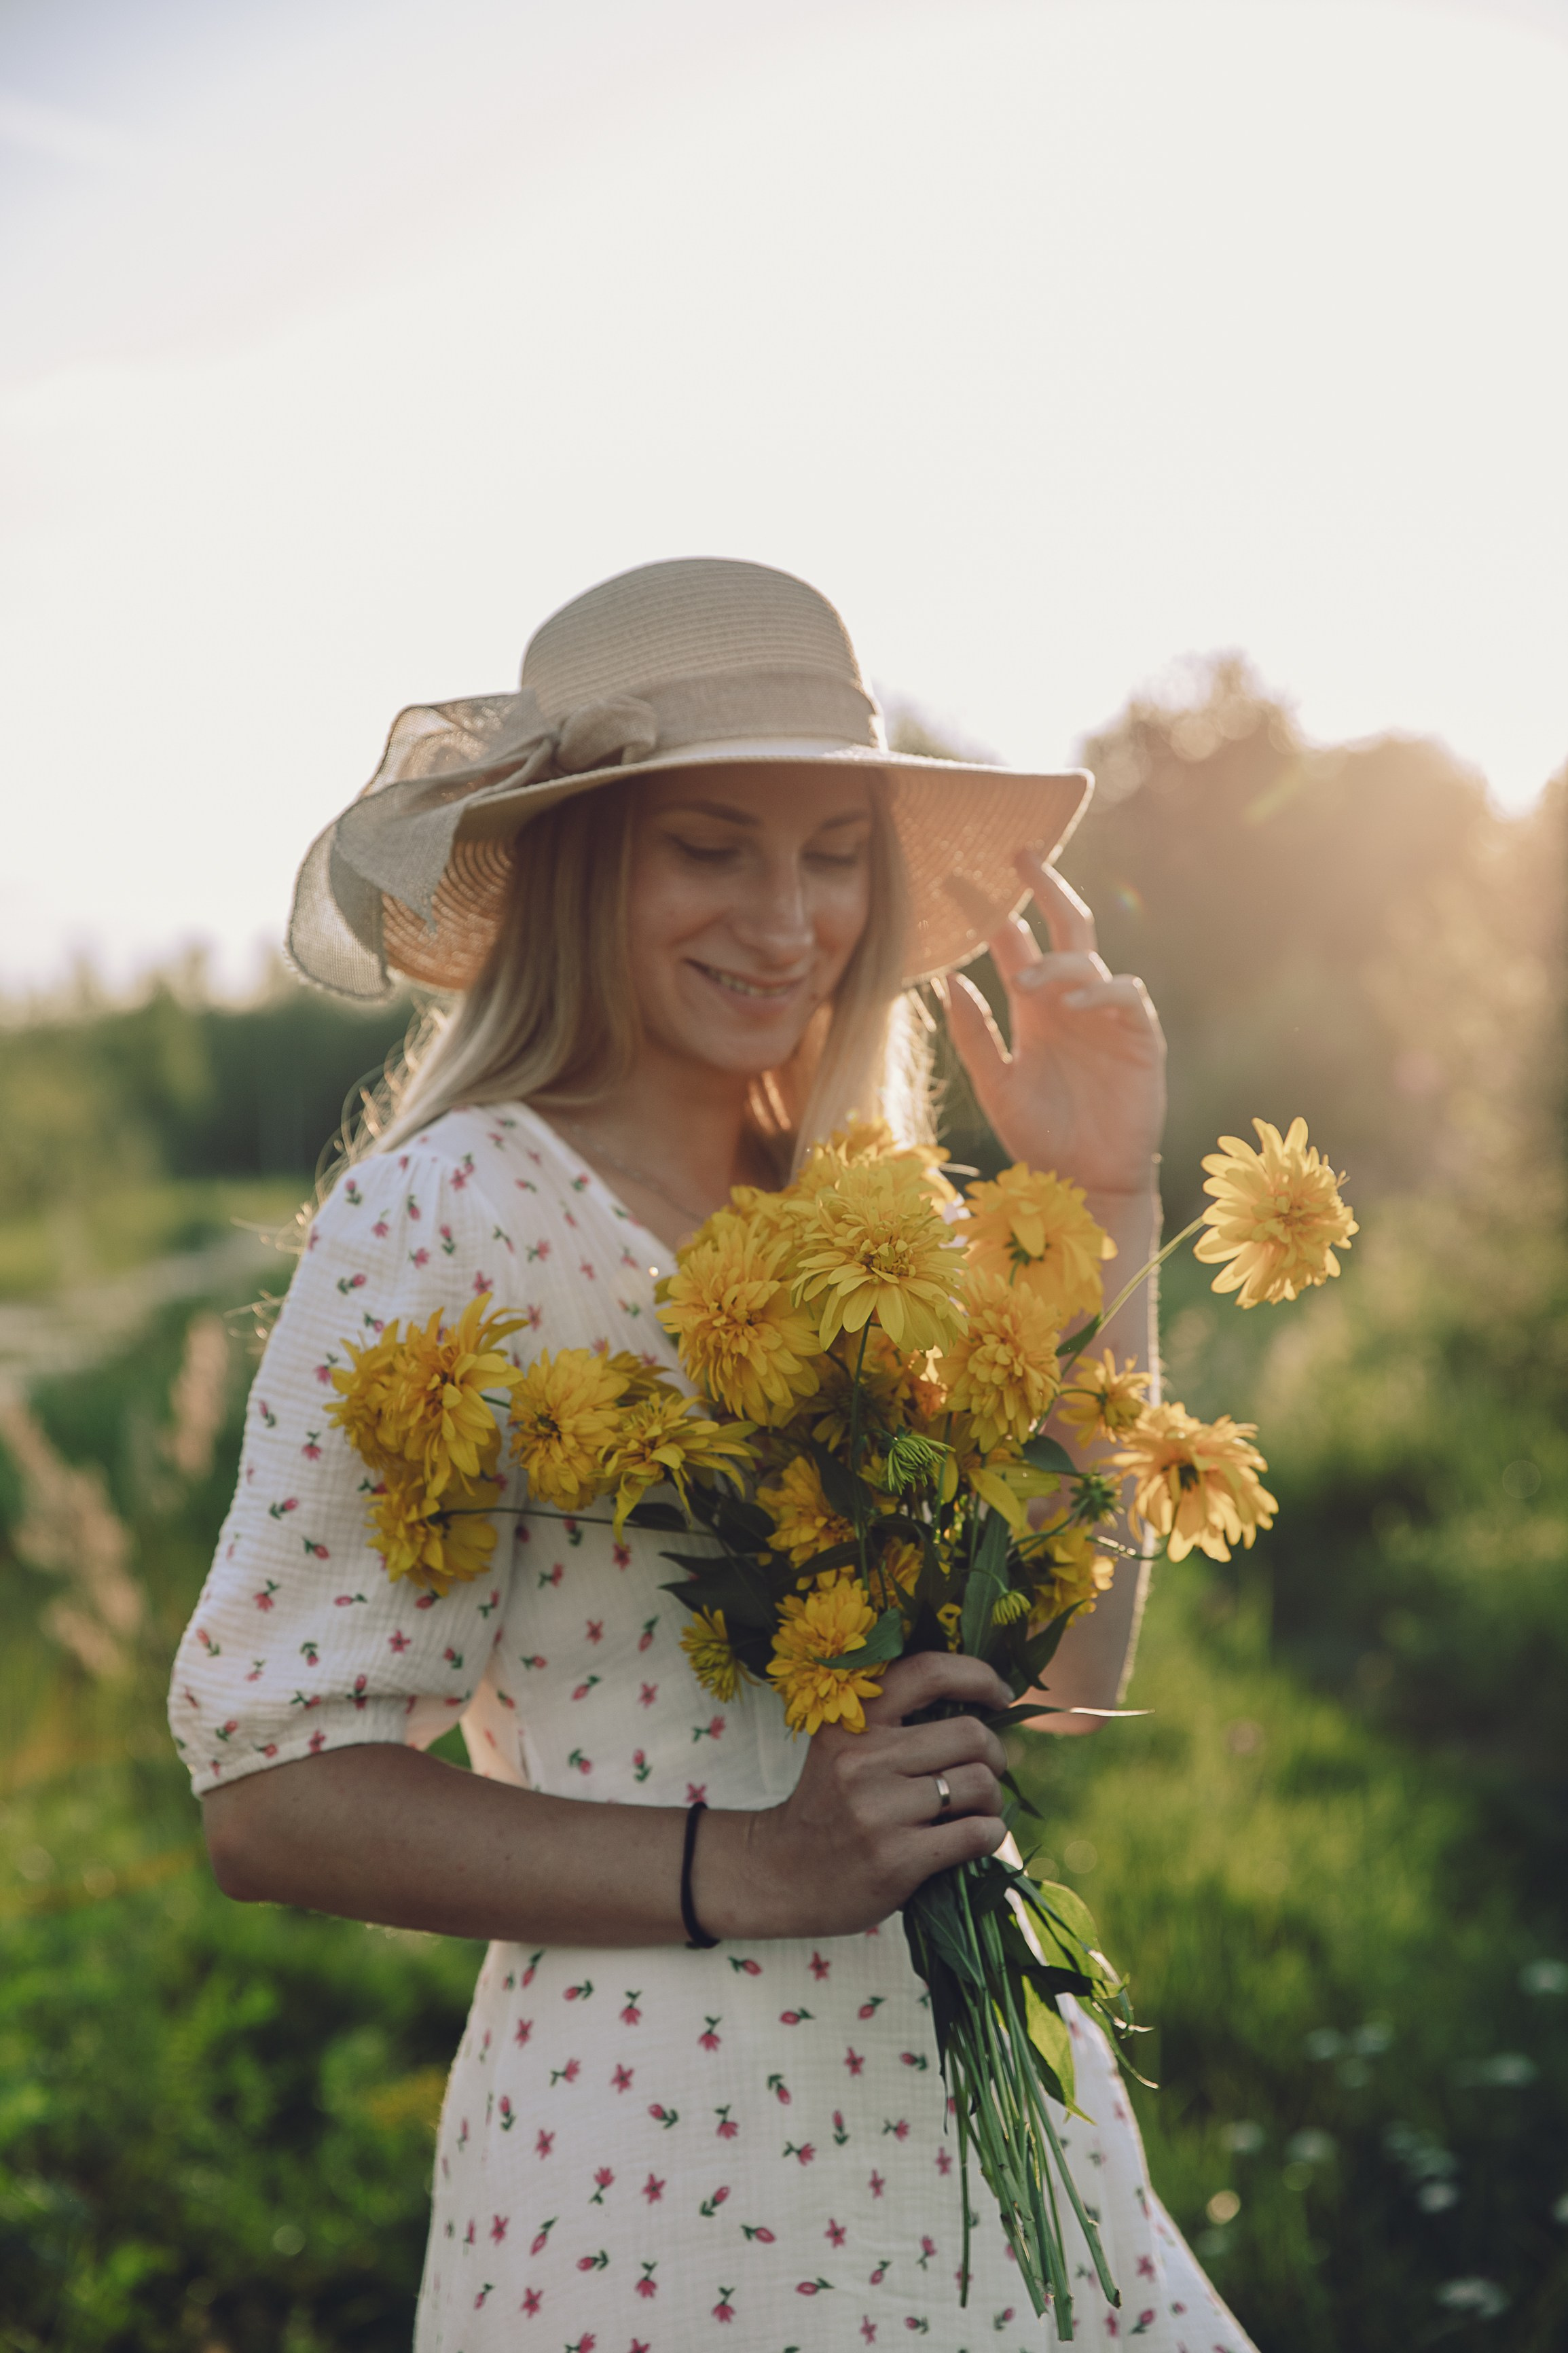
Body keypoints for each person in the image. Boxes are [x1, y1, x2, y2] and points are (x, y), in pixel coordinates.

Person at [171, 558, 1253, 2351]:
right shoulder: (447, 1215)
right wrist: (748, 1863)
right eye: (712, 847)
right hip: (663, 2184)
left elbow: (1057, 1680)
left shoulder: (869, 1208)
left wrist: (1104, 1192)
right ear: (583, 867)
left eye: (833, 853)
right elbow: (270, 1796)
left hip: (981, 2135)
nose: (787, 917)